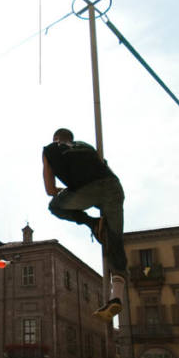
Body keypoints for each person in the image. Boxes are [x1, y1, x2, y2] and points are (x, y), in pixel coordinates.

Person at [42, 128, 126, 320]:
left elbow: (49, 189)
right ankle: (117, 297)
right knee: (115, 241)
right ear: (72, 138)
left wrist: (63, 191)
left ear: (56, 138)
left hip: (86, 192)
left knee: (55, 206)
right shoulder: (86, 146)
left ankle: (92, 223)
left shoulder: (50, 149)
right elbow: (103, 166)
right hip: (114, 188)